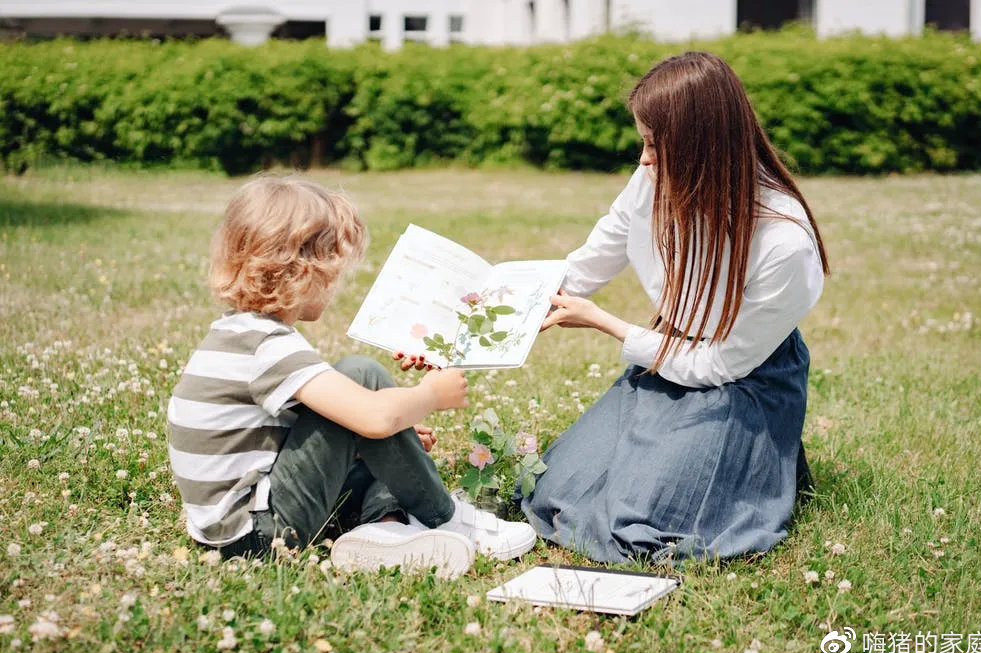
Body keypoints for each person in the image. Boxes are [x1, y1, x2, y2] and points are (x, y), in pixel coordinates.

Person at [519, 52, 830, 562]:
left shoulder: (784, 242)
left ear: (705, 147)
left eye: (655, 145)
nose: (643, 159)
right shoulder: (652, 182)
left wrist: (606, 324)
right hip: (666, 358)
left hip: (740, 383)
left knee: (637, 525)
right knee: (554, 492)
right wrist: (489, 311)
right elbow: (587, 264)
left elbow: (719, 364)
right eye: (643, 140)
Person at [166, 175, 536, 580]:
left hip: (235, 530)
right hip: (258, 539)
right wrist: (429, 394)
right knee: (362, 378)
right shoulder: (266, 345)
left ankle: (385, 529)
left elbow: (301, 434)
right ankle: (444, 518)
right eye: (335, 270)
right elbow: (374, 418)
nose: (338, 283)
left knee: (374, 422)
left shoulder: (239, 333)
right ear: (305, 271)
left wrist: (393, 438)